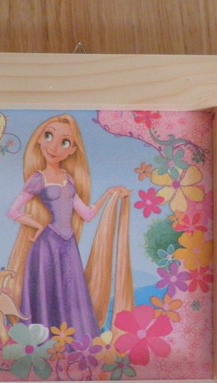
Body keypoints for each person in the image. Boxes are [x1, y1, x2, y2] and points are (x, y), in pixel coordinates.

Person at [7, 114, 132, 340]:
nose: (53, 147)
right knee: (47, 292)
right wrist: (37, 224)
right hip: (47, 245)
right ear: (39, 139)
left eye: (64, 142)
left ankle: (71, 341)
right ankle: (44, 341)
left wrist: (109, 194)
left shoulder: (69, 179)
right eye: (48, 136)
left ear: (73, 150)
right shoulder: (38, 179)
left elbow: (88, 214)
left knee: (71, 291)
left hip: (68, 245)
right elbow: (13, 211)